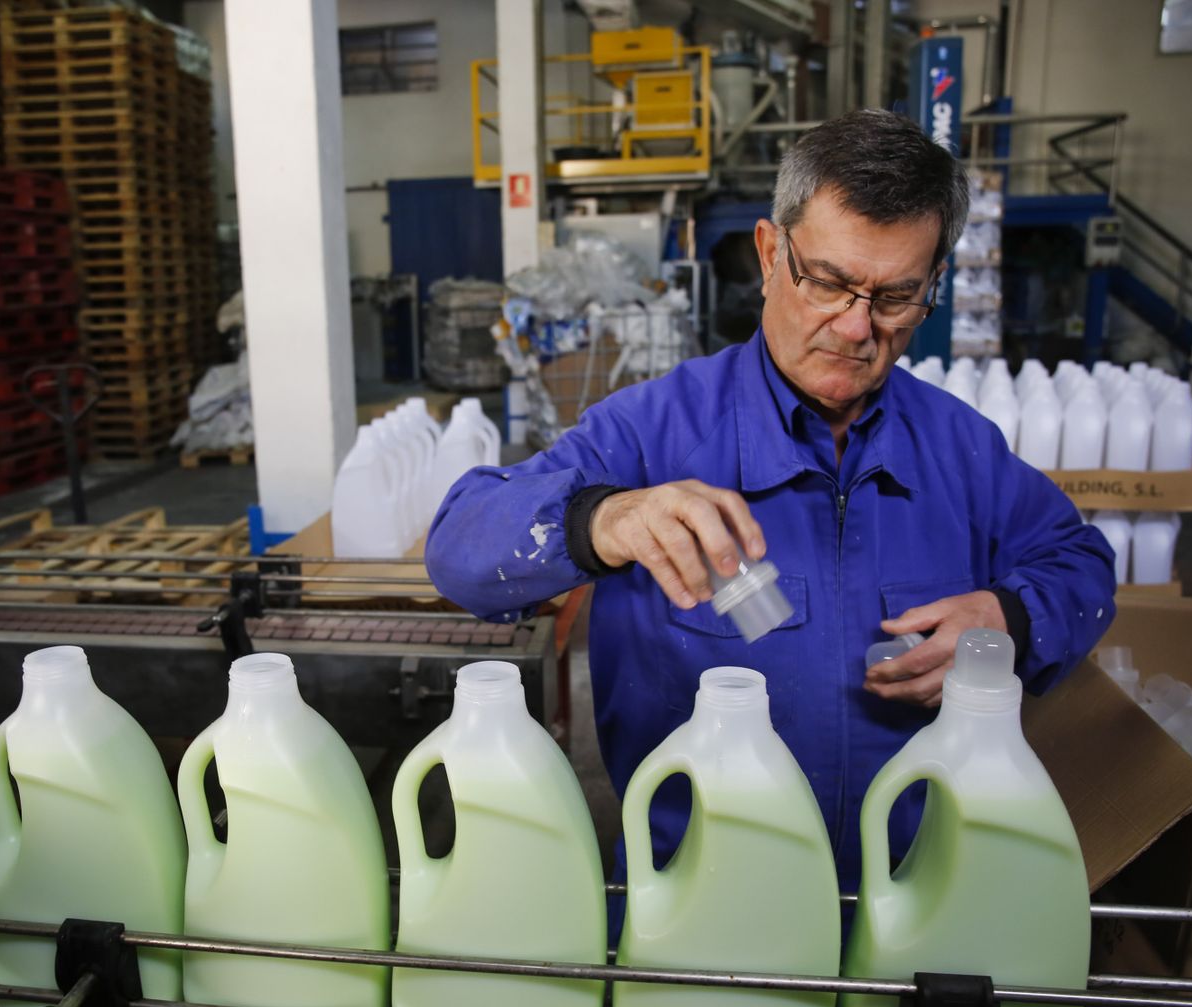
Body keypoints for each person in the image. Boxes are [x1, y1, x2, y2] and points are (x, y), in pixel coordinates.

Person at [424, 109, 1116, 894]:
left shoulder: (960, 450)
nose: (857, 328)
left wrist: (1010, 620)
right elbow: (459, 548)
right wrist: (601, 520)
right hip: (695, 898)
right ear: (768, 252)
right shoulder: (650, 432)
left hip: (909, 896)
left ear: (933, 287)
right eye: (827, 281)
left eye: (896, 297)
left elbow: (1081, 564)